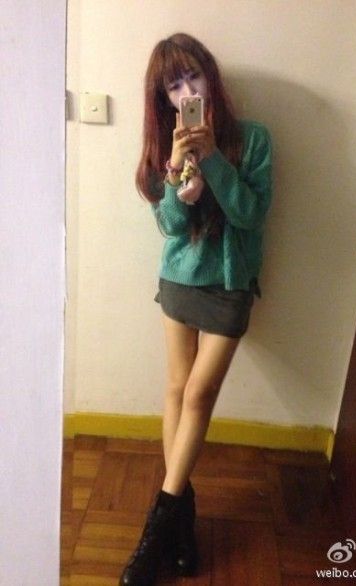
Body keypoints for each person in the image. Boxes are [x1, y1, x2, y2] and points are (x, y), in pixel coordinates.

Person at [119, 32, 272, 586]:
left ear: (211, 74)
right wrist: (177, 186)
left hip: (229, 284)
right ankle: (180, 521)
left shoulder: (253, 139)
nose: (187, 92)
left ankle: (159, 525)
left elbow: (251, 214)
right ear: (163, 98)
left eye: (193, 76)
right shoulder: (166, 147)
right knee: (176, 389)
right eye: (173, 86)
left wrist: (213, 160)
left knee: (200, 394)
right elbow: (169, 228)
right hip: (180, 280)